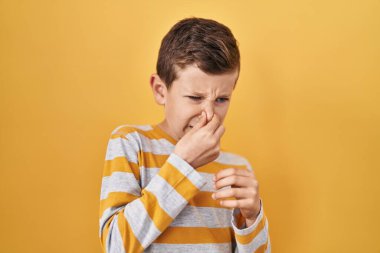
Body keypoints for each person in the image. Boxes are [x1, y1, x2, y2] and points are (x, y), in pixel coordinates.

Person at [99, 17, 271, 253]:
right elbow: (115, 245)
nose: (209, 115)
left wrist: (252, 219)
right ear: (160, 90)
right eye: (195, 98)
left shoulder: (237, 168)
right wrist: (183, 164)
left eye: (221, 99)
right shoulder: (131, 143)